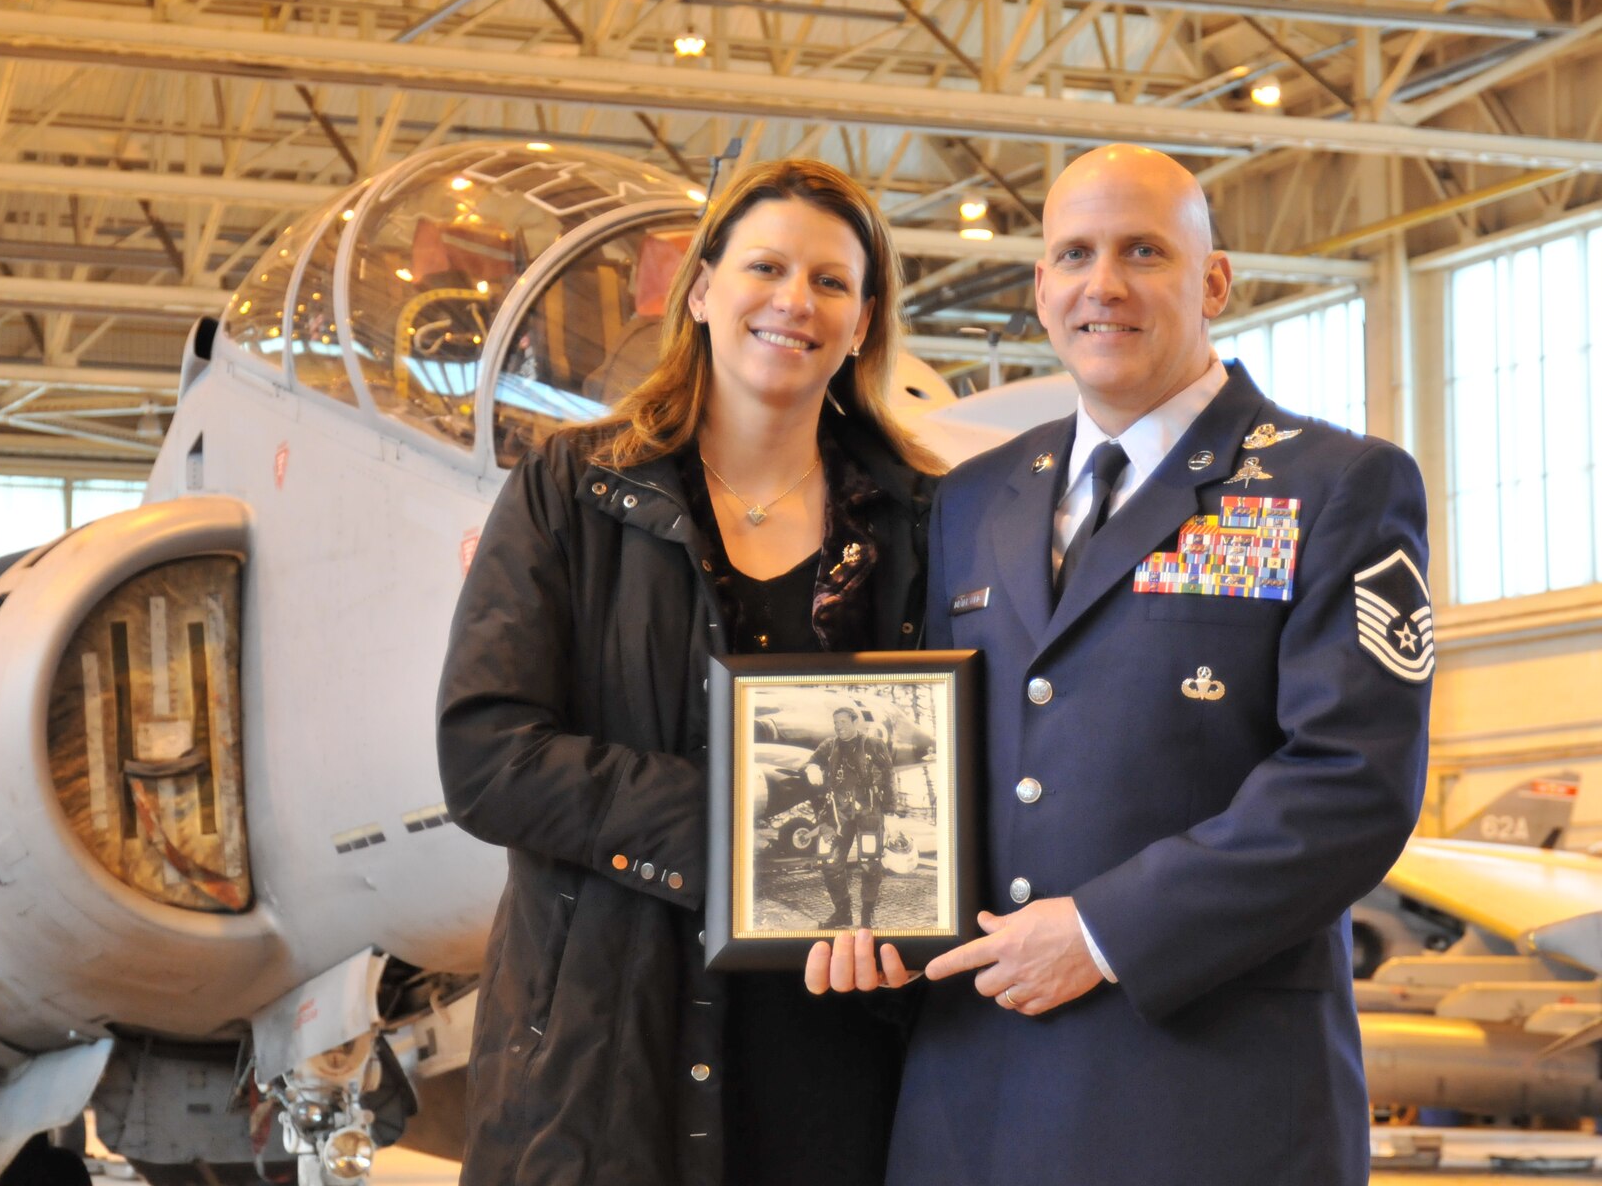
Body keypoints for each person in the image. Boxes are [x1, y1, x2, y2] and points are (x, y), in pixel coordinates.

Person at [811, 144, 1432, 1185]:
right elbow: (915, 741)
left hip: (1204, 1098)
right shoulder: (971, 498)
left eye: (1142, 250)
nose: (1102, 283)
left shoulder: (1333, 486)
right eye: (1072, 254)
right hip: (973, 1096)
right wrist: (849, 893)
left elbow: (1350, 783)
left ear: (1213, 280)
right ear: (1041, 289)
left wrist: (1102, 931)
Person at [437, 159, 941, 1186]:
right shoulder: (569, 492)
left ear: (862, 318)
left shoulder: (925, 523)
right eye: (765, 265)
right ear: (700, 288)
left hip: (832, 1063)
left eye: (830, 281)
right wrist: (751, 829)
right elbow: (485, 752)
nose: (793, 301)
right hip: (595, 1064)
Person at [806, 705, 900, 929]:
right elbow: (811, 760)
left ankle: (867, 918)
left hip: (868, 812)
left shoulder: (874, 744)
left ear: (855, 722)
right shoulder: (829, 746)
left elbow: (888, 776)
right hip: (837, 815)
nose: (839, 727)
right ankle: (842, 913)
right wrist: (811, 767)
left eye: (844, 722)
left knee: (869, 863)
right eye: (836, 723)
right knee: (829, 861)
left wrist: (891, 811)